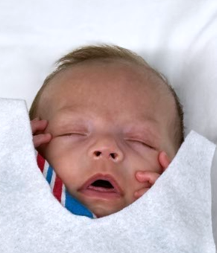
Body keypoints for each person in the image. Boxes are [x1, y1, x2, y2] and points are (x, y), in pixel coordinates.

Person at [27, 43, 185, 217]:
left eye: (140, 141)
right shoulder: (11, 199)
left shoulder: (173, 225)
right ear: (32, 144)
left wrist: (173, 217)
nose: (106, 146)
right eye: (72, 132)